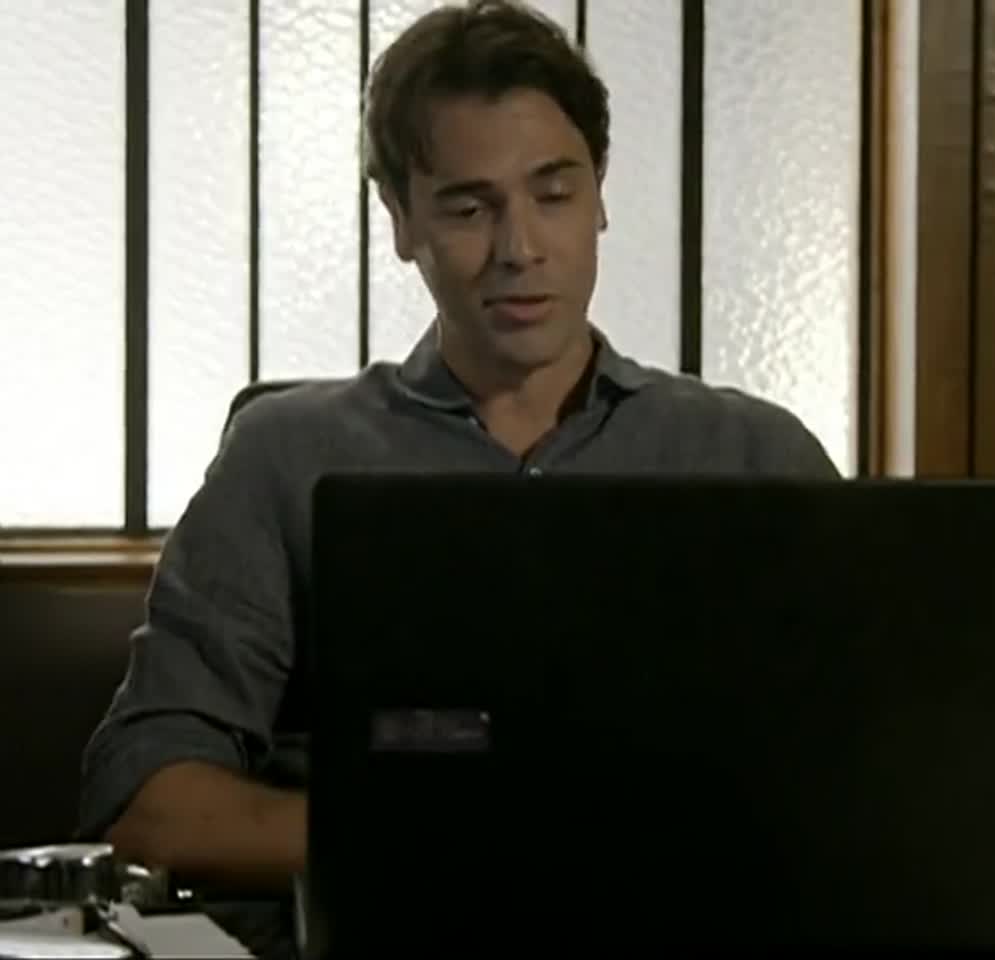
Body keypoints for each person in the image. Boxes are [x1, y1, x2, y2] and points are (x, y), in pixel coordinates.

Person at [80, 0, 837, 954]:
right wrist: (451, 844)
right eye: (470, 209)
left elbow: (871, 778)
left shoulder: (755, 458)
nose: (520, 248)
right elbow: (147, 800)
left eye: (554, 194)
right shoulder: (287, 456)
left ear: (600, 197)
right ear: (401, 221)